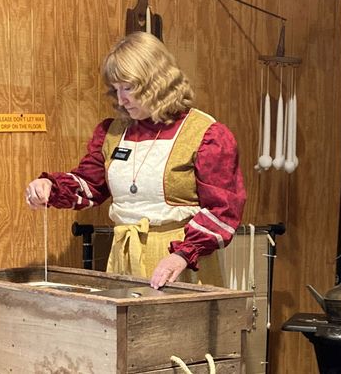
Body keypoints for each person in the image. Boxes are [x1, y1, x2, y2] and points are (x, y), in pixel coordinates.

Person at [25, 32, 246, 289]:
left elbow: (224, 210)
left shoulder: (205, 134)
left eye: (128, 88)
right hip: (124, 257)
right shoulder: (114, 132)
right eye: (116, 89)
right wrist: (51, 188)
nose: (120, 100)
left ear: (156, 82)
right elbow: (91, 184)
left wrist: (182, 255)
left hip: (178, 263)